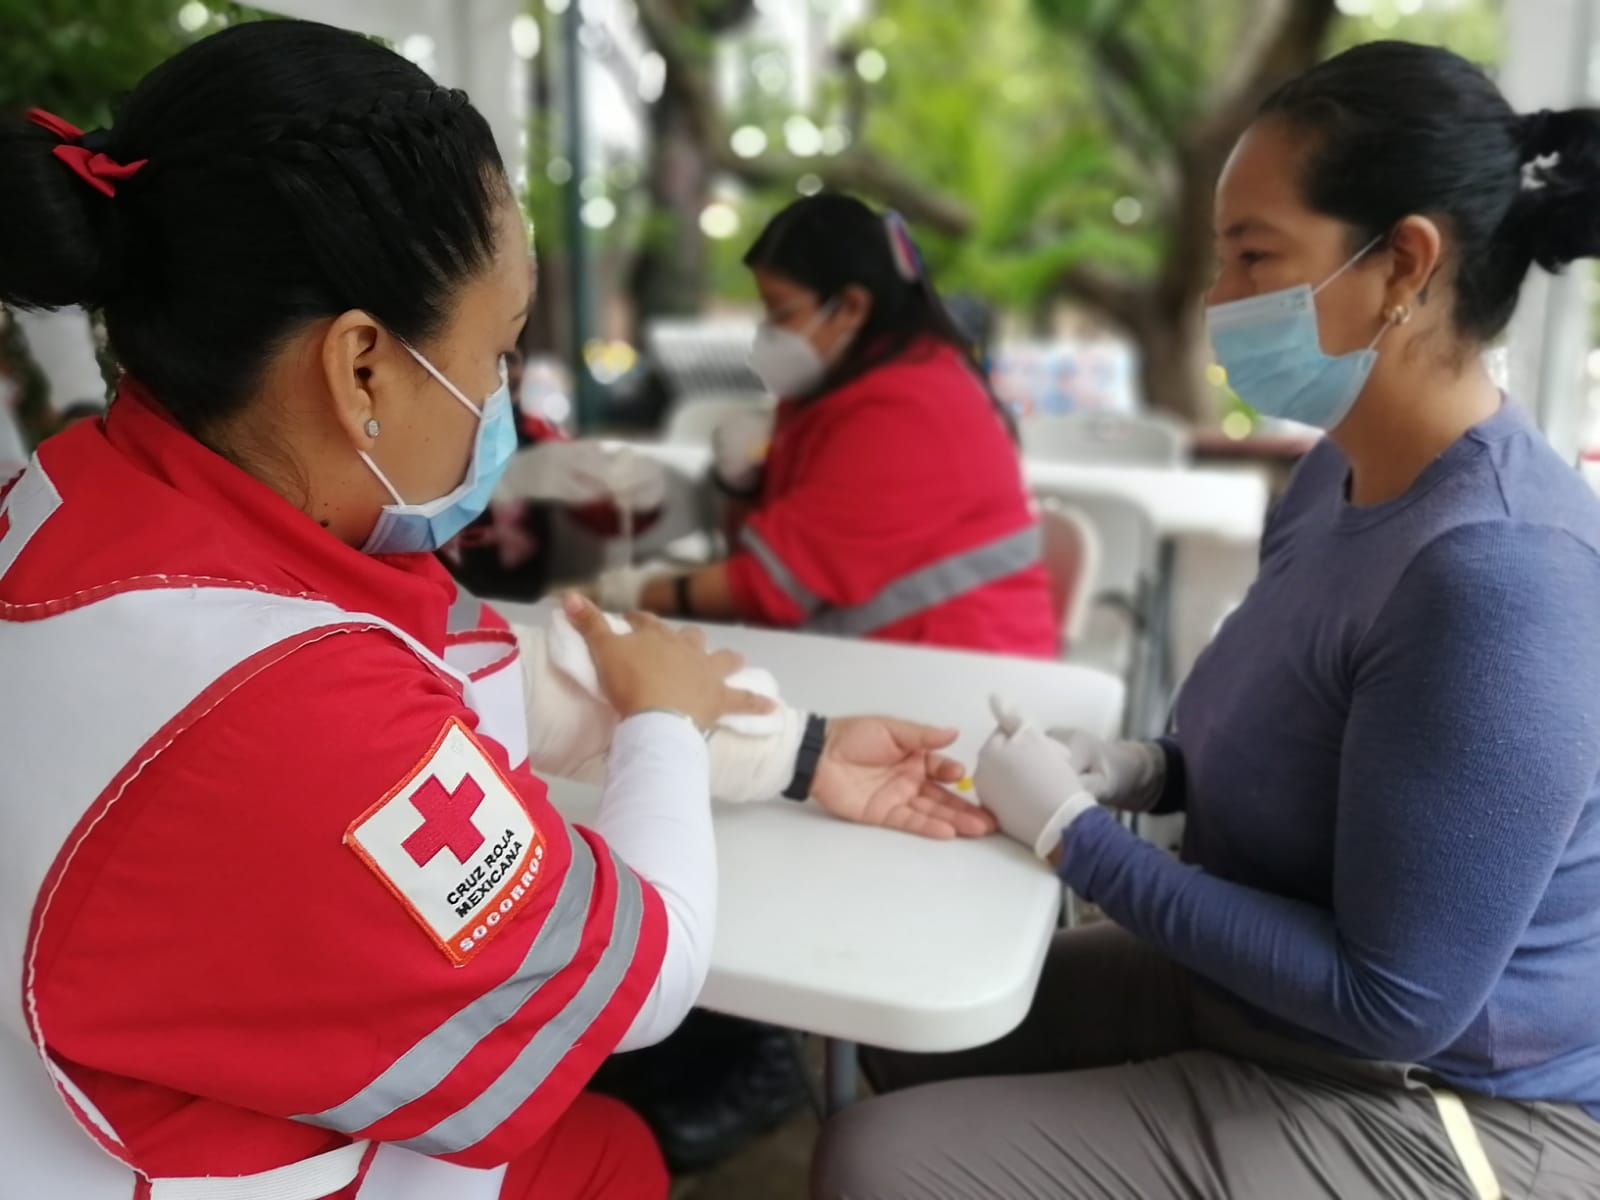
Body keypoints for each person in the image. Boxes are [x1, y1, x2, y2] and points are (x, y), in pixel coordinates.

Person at [0, 21, 994, 1200]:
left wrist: (799, 751)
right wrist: (665, 726)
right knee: (612, 1151)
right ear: (362, 367)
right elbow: (640, 968)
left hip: (75, 1104)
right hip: (189, 1162)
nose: (501, 396)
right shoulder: (293, 712)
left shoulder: (72, 495)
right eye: (502, 348)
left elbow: (459, 661)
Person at [814, 41, 1600, 1200]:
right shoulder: (1336, 478)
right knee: (908, 1026)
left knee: (882, 1166)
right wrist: (1141, 770)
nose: (1218, 302)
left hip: (1442, 1101)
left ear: (1404, 265)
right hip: (1285, 1004)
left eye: (1252, 258)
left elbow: (1397, 1001)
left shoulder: (1496, 575)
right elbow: (1309, 746)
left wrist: (1075, 839)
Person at [601, 194, 1057, 659]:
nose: (769, 333)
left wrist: (626, 595)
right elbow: (775, 552)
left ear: (851, 307)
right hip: (899, 660)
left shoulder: (907, 412)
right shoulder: (840, 389)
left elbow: (774, 585)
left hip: (964, 675)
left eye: (781, 313)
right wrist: (742, 487)